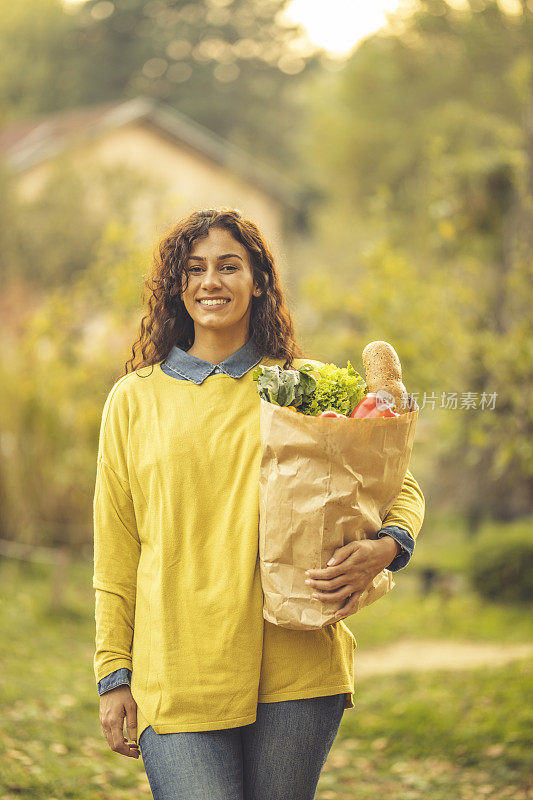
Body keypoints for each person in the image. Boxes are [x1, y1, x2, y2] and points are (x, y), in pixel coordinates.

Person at [93, 207, 425, 800]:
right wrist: (114, 673)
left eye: (229, 266)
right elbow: (116, 549)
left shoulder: (304, 385)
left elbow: (397, 481)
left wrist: (386, 546)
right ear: (176, 285)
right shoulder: (133, 402)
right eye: (194, 269)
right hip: (178, 670)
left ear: (259, 281)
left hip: (296, 667)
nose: (210, 282)